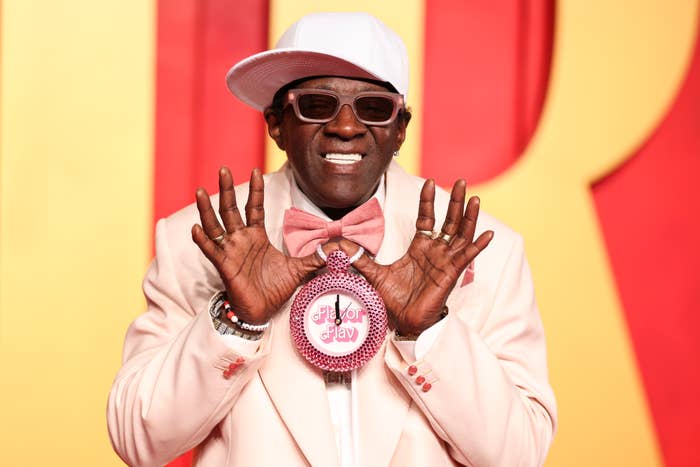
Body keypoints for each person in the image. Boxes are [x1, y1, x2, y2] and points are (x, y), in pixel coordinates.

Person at [107, 12, 557, 467]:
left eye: (374, 108)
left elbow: (520, 455)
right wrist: (236, 323)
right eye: (317, 105)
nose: (346, 127)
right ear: (277, 124)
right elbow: (136, 438)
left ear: (400, 128)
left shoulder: (485, 250)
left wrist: (431, 330)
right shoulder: (200, 244)